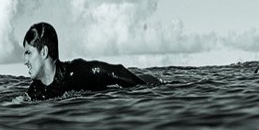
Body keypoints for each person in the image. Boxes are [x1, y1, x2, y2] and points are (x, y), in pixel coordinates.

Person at [23, 22, 163, 101]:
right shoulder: (36, 90)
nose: (25, 61)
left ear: (44, 52)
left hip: (150, 83)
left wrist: (147, 92)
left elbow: (116, 71)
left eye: (28, 53)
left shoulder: (75, 72)